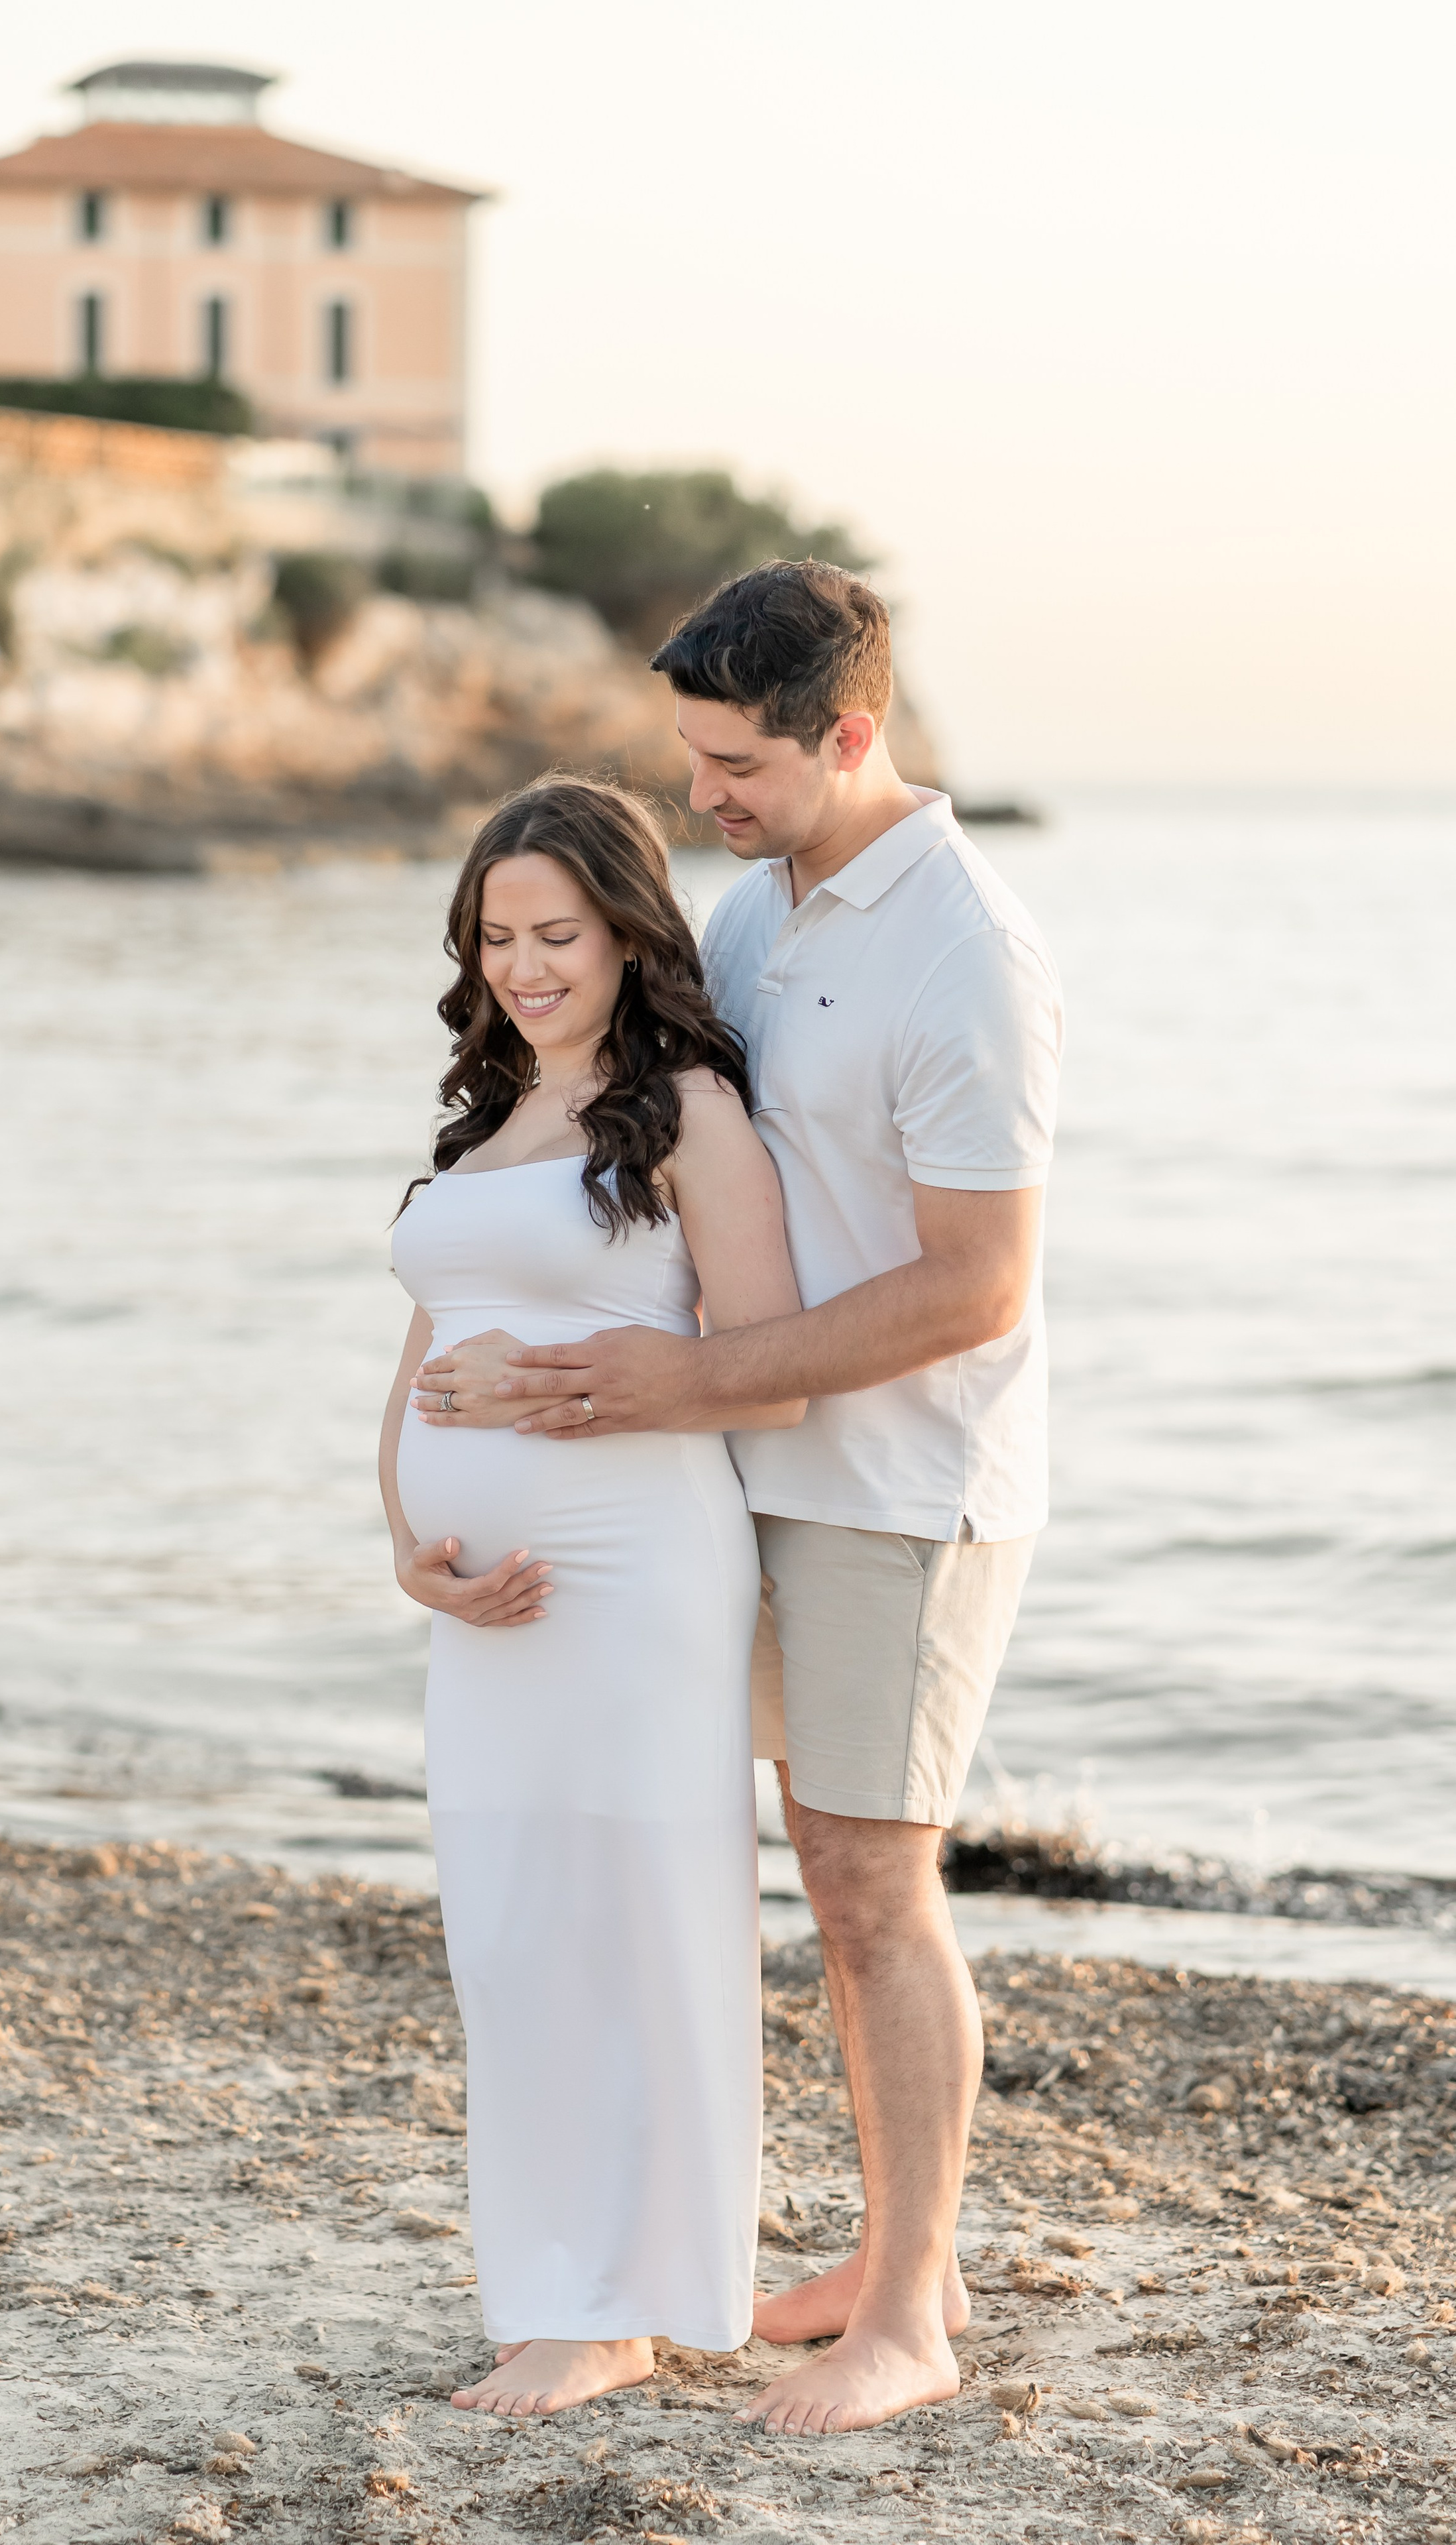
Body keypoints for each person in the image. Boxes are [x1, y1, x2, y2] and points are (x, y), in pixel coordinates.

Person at [414, 560, 1064, 2434]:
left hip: (897, 1483)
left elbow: (979, 1285)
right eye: (692, 761)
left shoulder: (964, 950)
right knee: (819, 1870)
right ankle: (885, 2256)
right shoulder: (757, 914)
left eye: (736, 768)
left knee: (870, 1877)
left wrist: (670, 1385)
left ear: (850, 735)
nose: (700, 796)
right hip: (739, 1481)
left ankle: (911, 2316)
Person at [380, 775, 805, 2417]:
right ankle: (550, 2283)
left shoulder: (686, 1110)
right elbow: (420, 1365)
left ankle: (627, 2306)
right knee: (508, 1927)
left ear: (628, 932)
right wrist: (406, 1547)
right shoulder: (480, 1130)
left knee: (632, 1917)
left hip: (634, 1578)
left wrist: (561, 1389)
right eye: (496, 938)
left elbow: (765, 1368)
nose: (523, 967)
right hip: (482, 1610)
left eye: (555, 933)